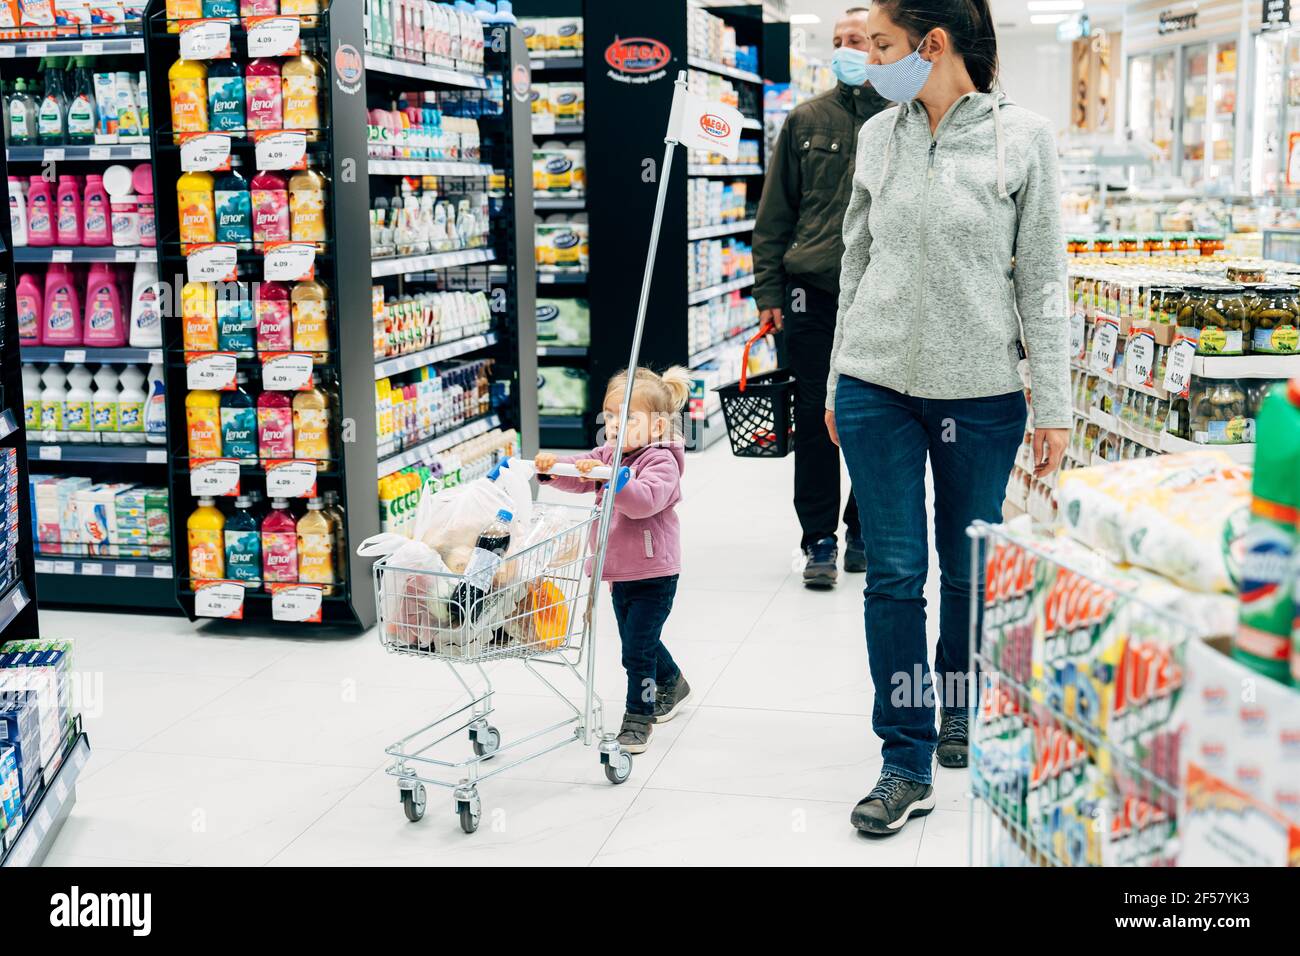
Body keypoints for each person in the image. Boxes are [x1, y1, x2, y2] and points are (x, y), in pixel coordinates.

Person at [824, 0, 1069, 835]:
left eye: (882, 44)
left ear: (932, 45)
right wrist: (833, 383)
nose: (870, 58)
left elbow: (1041, 278)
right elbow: (856, 259)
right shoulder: (877, 136)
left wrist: (1057, 406)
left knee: (966, 570)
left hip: (983, 394)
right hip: (875, 384)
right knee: (894, 573)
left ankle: (958, 701)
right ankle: (904, 758)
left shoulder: (1024, 136)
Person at [752, 6, 889, 591]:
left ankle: (861, 528)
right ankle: (819, 539)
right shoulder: (806, 120)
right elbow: (774, 213)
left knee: (870, 414)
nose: (845, 48)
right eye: (837, 41)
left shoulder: (902, 119)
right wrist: (768, 290)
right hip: (810, 290)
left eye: (855, 39)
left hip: (881, 289)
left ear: (879, 46)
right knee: (812, 417)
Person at [535, 367, 692, 755]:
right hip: (618, 572)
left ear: (657, 426)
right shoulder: (609, 454)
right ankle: (673, 680)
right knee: (638, 640)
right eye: (609, 416)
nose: (614, 425)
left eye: (627, 417)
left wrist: (614, 479)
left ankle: (639, 716)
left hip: (655, 573)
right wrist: (553, 469)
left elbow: (644, 502)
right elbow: (582, 472)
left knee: (635, 651)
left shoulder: (662, 462)